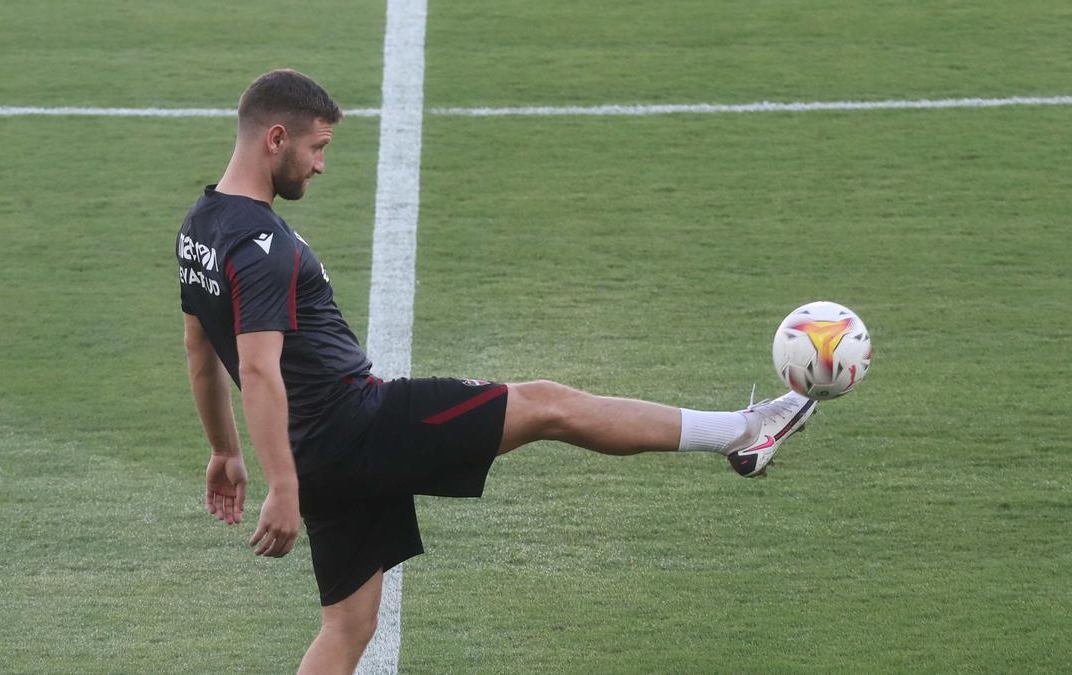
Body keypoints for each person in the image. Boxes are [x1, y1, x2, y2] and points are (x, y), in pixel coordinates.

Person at [177, 68, 817, 674]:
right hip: (357, 427)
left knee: (348, 627)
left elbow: (199, 352)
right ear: (276, 138)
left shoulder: (201, 225)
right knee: (547, 405)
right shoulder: (261, 246)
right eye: (317, 148)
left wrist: (224, 453)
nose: (320, 163)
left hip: (318, 453)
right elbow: (258, 372)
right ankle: (741, 432)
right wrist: (279, 487)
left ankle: (741, 432)